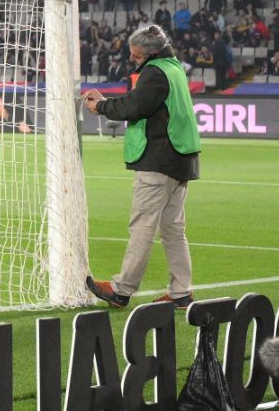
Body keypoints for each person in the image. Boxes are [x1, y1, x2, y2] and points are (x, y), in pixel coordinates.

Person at [82, 24, 202, 310]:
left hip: (159, 160)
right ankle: (181, 292)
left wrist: (101, 106)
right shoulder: (174, 68)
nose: (133, 60)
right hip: (181, 159)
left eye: (136, 56)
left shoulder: (155, 72)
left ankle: (122, 290)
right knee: (173, 229)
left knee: (142, 227)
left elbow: (135, 107)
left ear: (152, 53)